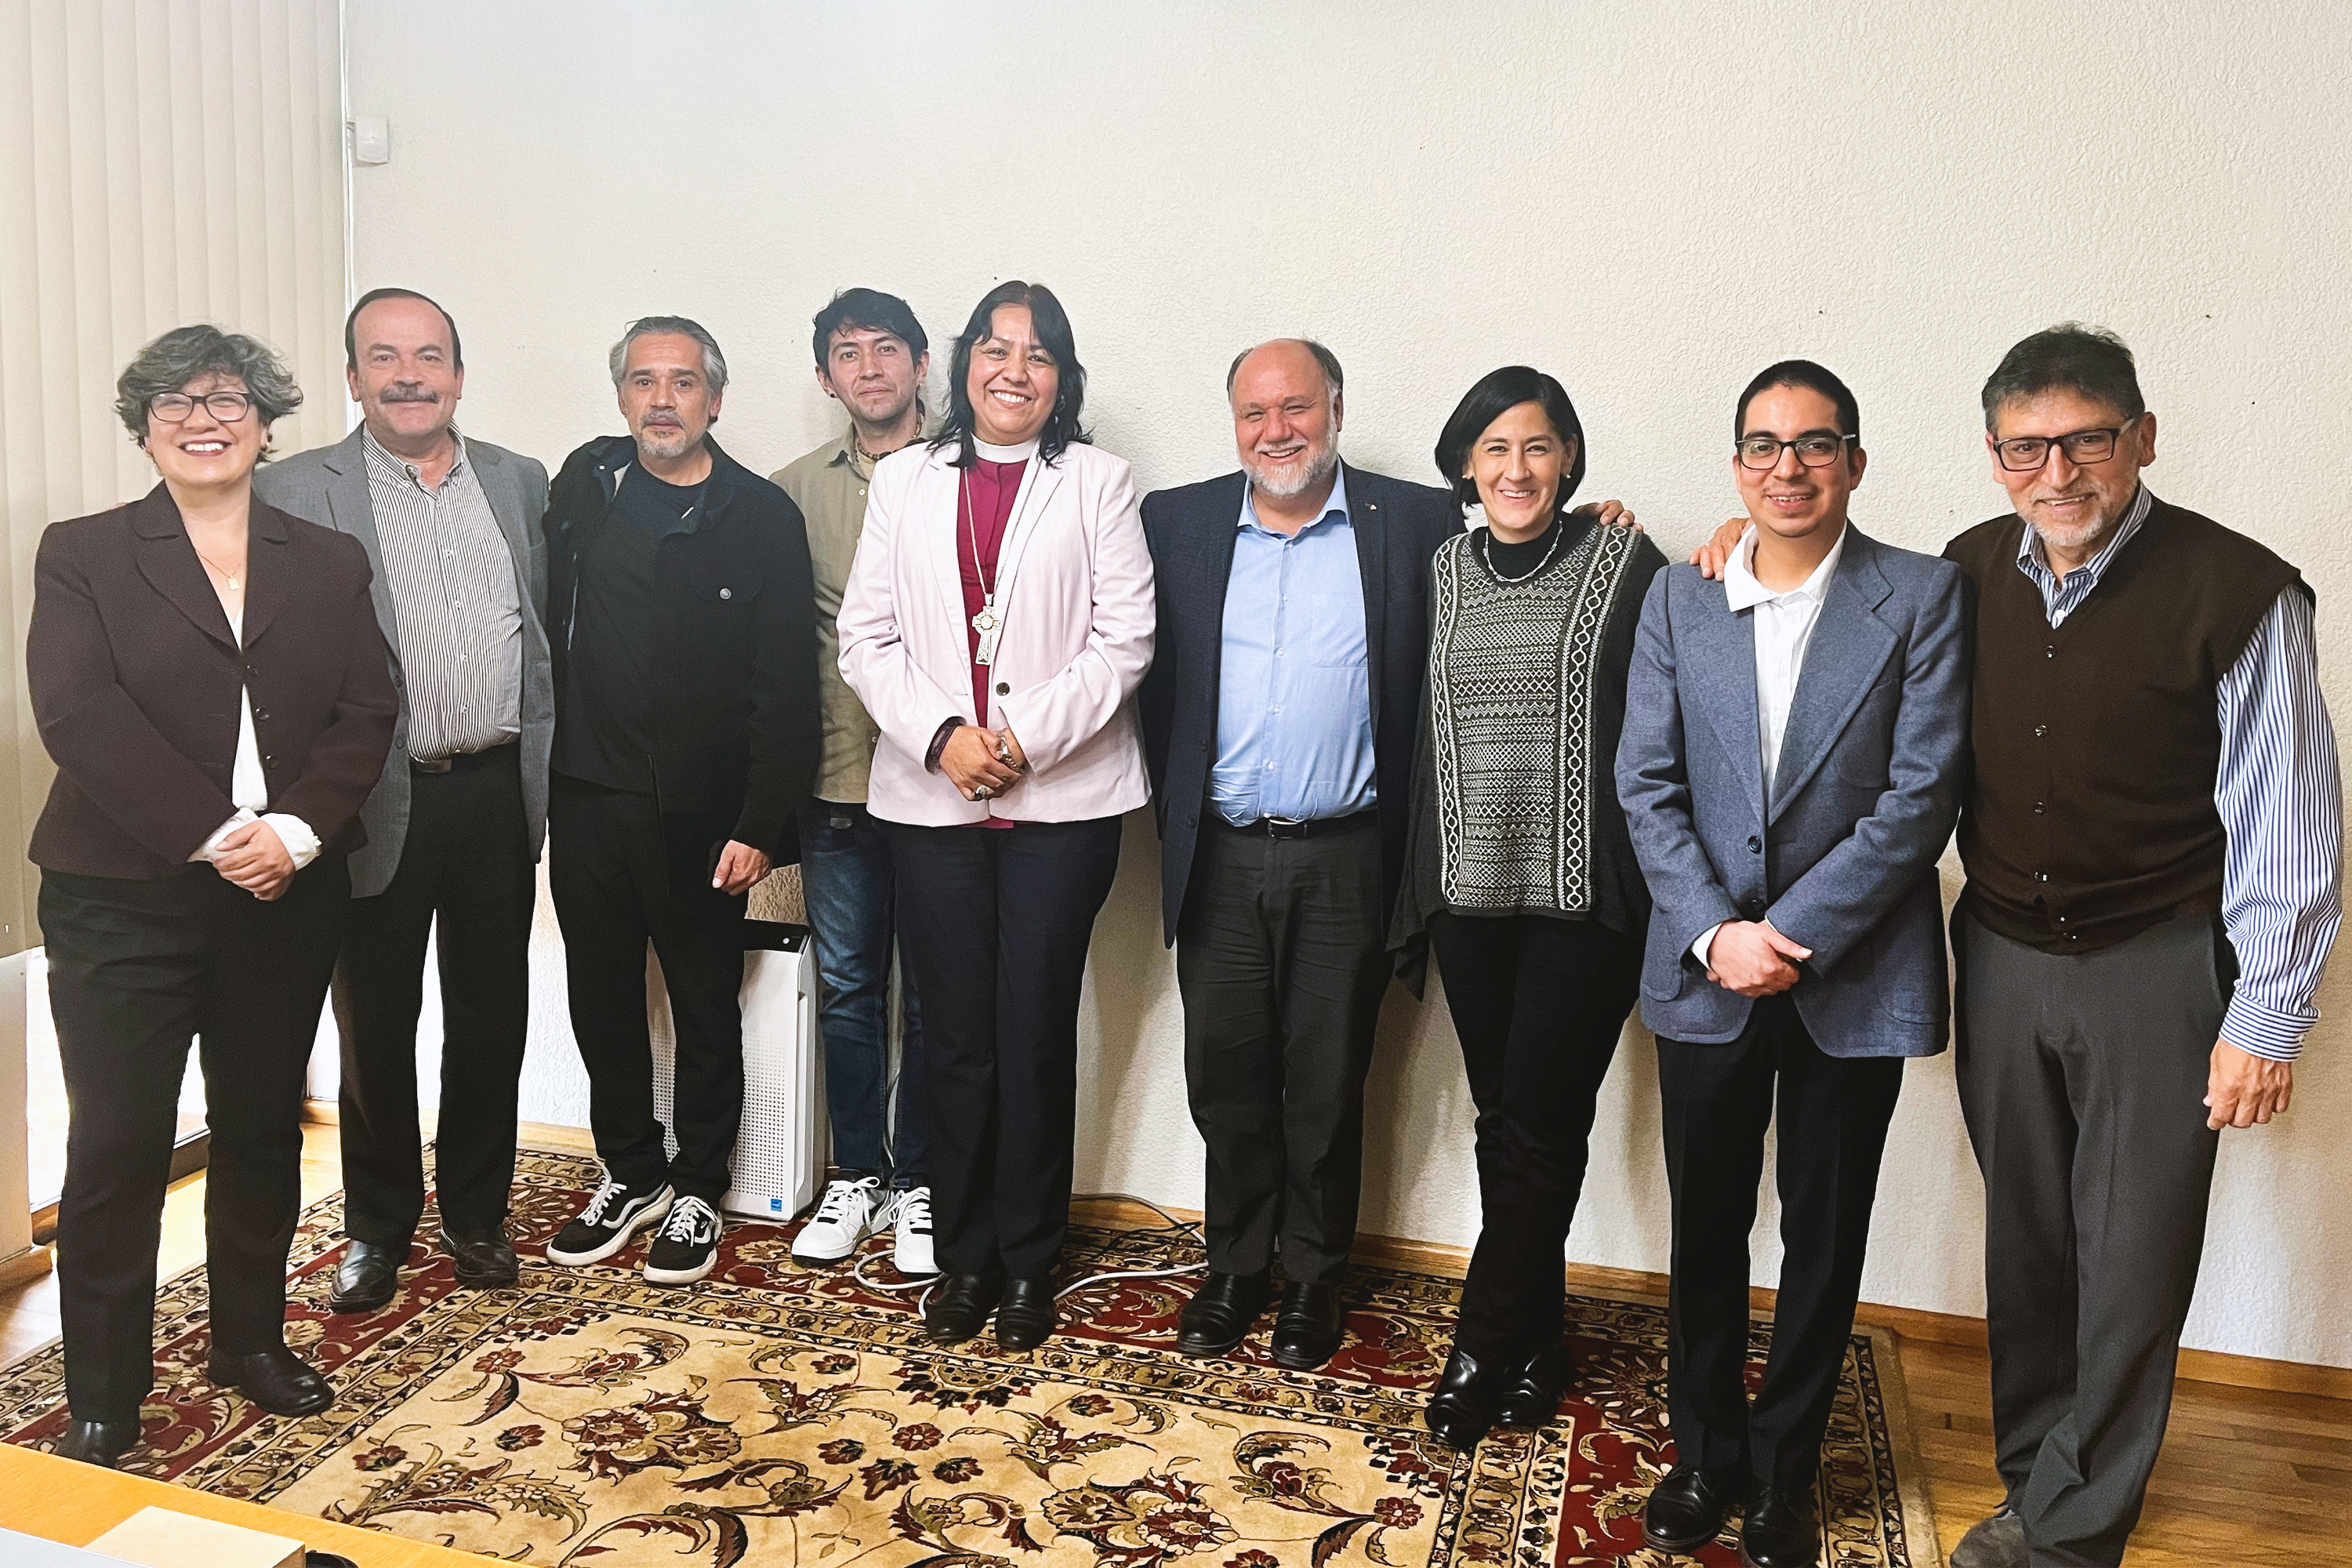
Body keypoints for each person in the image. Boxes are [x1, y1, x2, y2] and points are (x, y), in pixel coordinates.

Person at [1138, 341, 1632, 1370]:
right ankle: (1234, 1265)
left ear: (1337, 409)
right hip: (1220, 852)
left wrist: (1602, 523)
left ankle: (1315, 1275)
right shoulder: (1173, 524)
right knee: (1224, 1074)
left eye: (1298, 408)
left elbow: (1521, 546)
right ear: (1233, 423)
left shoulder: (1408, 523)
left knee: (1326, 1081)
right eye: (1254, 413)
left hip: (1349, 853)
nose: (1277, 430)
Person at [1938, 328, 2339, 1568]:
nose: (2057, 471)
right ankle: (2038, 1474)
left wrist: (2265, 1017)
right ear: (1996, 459)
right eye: (2027, 447)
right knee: (2031, 1243)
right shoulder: (1959, 573)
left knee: (2133, 1260)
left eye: (2087, 440)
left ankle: (2067, 1535)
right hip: (2002, 955)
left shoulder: (2239, 591)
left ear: (2142, 440)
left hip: (2160, 968)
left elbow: (2288, 821)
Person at [1617, 362, 1969, 1568]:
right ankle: (1704, 1455)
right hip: (1705, 971)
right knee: (1706, 1229)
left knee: (1825, 1238)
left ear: (1856, 463)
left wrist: (1792, 935)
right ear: (1737, 470)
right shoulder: (1679, 599)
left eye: (1815, 445)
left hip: (1850, 978)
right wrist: (1720, 932)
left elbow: (1921, 798)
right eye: (1763, 447)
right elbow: (1644, 784)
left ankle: (1785, 1472)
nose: (1788, 468)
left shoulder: (1923, 596)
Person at [27, 326, 397, 1468]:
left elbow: (366, 712)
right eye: (176, 401)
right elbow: (80, 715)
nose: (204, 418)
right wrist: (212, 832)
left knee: (257, 1129)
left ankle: (247, 1342)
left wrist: (287, 834)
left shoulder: (327, 556)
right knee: (121, 1143)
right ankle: (105, 1390)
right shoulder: (83, 551)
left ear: (265, 420)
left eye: (228, 398)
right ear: (144, 423)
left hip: (284, 893)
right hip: (122, 897)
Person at [837, 281, 1152, 1352]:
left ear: (1062, 377)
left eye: (1039, 353)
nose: (1014, 370)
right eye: (995, 348)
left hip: (1062, 803)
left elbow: (1125, 641)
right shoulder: (904, 481)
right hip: (929, 804)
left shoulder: (1099, 483)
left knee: (1030, 1034)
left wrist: (1021, 741)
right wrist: (944, 739)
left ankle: (1027, 1262)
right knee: (953, 1039)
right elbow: (866, 640)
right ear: (962, 363)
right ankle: (963, 1259)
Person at [255, 288, 552, 1314]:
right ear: (353, 378)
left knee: (490, 1016)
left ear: (458, 375)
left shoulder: (519, 482)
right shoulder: (294, 491)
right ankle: (378, 1228)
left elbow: (545, 634)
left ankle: (476, 1214)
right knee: (375, 1024)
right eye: (385, 357)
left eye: (429, 356)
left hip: (496, 792)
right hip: (373, 801)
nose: (410, 374)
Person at [1388, 367, 1665, 1446]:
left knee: (1541, 1128)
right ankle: (1538, 1343)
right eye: (1496, 448)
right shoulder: (1441, 571)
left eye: (1538, 446)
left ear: (1570, 459)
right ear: (1466, 464)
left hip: (1581, 901)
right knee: (1507, 1123)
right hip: (1469, 895)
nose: (1517, 468)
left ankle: (1481, 1344)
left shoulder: (1622, 561)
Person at [539, 316, 822, 1289]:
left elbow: (788, 686)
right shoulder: (585, 487)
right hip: (584, 799)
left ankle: (701, 1180)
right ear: (623, 397)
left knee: (705, 1003)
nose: (664, 399)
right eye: (646, 381)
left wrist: (760, 824)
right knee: (600, 997)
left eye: (685, 382)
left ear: (716, 398)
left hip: (703, 816)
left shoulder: (761, 516)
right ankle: (632, 1170)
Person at [772, 289, 934, 1276]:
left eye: (887, 349)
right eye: (847, 352)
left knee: (939, 994)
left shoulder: (970, 472)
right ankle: (858, 1174)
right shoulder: (789, 492)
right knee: (849, 985)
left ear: (921, 363)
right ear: (827, 376)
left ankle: (920, 1179)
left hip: (945, 778)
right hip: (834, 776)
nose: (869, 367)